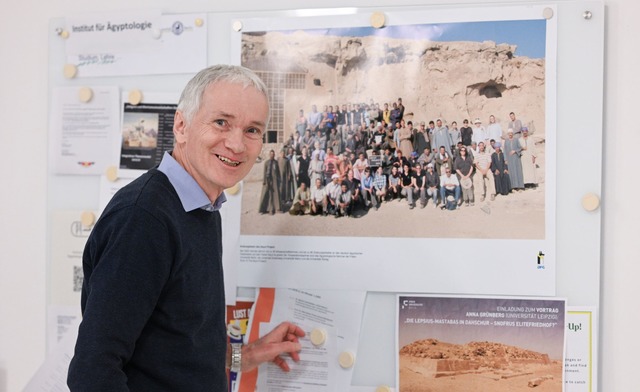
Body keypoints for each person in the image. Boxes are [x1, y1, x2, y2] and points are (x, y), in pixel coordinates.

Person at [67, 65, 304, 391]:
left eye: (252, 130)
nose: (236, 144)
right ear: (181, 126)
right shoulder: (144, 218)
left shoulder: (203, 207)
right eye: (222, 122)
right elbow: (92, 372)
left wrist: (245, 356)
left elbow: (179, 343)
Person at [259, 149, 281, 214]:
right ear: (269, 155)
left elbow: (278, 172)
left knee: (275, 195)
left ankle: (276, 208)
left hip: (274, 180)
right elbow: (264, 172)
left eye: (273, 154)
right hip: (268, 180)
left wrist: (279, 180)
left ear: (274, 155)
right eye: (271, 154)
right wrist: (264, 181)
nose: (272, 155)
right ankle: (264, 209)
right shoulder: (266, 163)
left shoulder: (276, 162)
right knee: (266, 194)